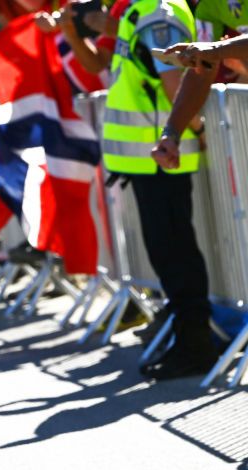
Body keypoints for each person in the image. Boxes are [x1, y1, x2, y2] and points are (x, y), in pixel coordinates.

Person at [99, 0, 218, 380]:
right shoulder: (144, 8)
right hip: (147, 158)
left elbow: (173, 82)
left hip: (160, 157)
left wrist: (196, 131)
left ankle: (196, 345)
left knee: (175, 253)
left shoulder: (158, 12)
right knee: (168, 253)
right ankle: (188, 339)